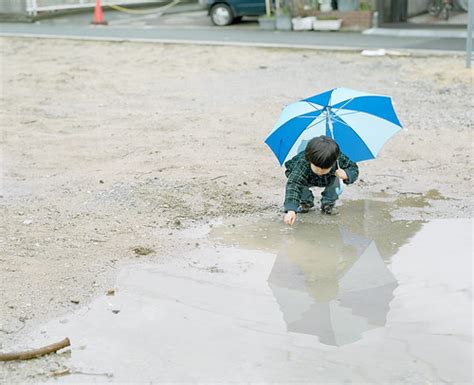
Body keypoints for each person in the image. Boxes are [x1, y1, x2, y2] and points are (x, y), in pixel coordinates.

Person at [283, 135, 358, 225]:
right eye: (317, 168)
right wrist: (291, 209)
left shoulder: (338, 158)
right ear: (309, 159)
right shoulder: (302, 161)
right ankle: (305, 202)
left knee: (337, 181)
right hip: (307, 178)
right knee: (298, 184)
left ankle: (328, 204)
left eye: (325, 169)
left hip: (329, 179)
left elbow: (354, 169)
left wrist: (346, 174)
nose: (320, 172)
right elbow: (294, 184)